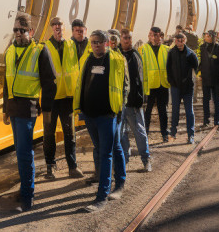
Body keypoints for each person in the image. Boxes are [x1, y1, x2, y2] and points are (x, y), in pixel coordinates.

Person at [3, 13, 57, 212]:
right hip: (14, 109)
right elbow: (6, 83)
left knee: (25, 153)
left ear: (31, 32)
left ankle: (27, 196)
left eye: (22, 30)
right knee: (20, 152)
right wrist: (5, 110)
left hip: (28, 108)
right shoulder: (10, 52)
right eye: (16, 29)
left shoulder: (40, 51)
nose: (18, 33)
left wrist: (48, 110)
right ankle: (25, 189)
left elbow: (50, 83)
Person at [74, 30, 129, 212]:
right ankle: (119, 181)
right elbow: (81, 83)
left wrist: (119, 109)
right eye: (93, 42)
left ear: (106, 43)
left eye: (99, 42)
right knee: (110, 148)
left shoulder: (117, 60)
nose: (96, 45)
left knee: (106, 153)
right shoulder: (87, 59)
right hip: (90, 115)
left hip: (108, 115)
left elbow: (124, 86)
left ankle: (102, 197)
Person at [41, 17, 84, 180]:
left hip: (67, 97)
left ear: (64, 28)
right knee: (49, 134)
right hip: (50, 99)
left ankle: (72, 167)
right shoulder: (45, 47)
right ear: (51, 28)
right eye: (55, 26)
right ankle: (50, 167)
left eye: (60, 25)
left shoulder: (71, 45)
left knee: (69, 133)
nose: (58, 28)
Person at [119, 29, 151, 172]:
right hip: (119, 103)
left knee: (139, 131)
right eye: (124, 38)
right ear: (121, 39)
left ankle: (146, 159)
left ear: (132, 39)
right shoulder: (115, 55)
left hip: (133, 102)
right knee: (122, 134)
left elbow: (140, 78)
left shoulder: (135, 56)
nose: (126, 41)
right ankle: (124, 161)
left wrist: (141, 99)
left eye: (129, 38)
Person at [166, 33, 200, 144]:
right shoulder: (171, 53)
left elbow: (197, 68)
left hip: (187, 87)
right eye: (177, 40)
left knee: (189, 111)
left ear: (185, 40)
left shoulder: (190, 54)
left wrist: (194, 80)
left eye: (181, 40)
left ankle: (191, 135)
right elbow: (168, 69)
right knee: (175, 110)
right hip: (175, 87)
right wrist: (172, 82)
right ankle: (173, 132)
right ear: (175, 41)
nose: (179, 42)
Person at [140, 26, 170, 142]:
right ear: (149, 36)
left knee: (163, 111)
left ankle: (164, 133)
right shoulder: (143, 49)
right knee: (147, 112)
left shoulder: (166, 49)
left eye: (157, 35)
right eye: (152, 35)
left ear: (160, 36)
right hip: (150, 86)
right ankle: (145, 134)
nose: (154, 38)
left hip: (163, 84)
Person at [198, 30, 219, 128]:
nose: (205, 37)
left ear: (212, 37)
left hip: (217, 80)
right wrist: (200, 73)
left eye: (207, 35)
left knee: (217, 100)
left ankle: (217, 120)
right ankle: (206, 120)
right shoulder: (202, 48)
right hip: (206, 79)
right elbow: (201, 63)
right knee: (205, 100)